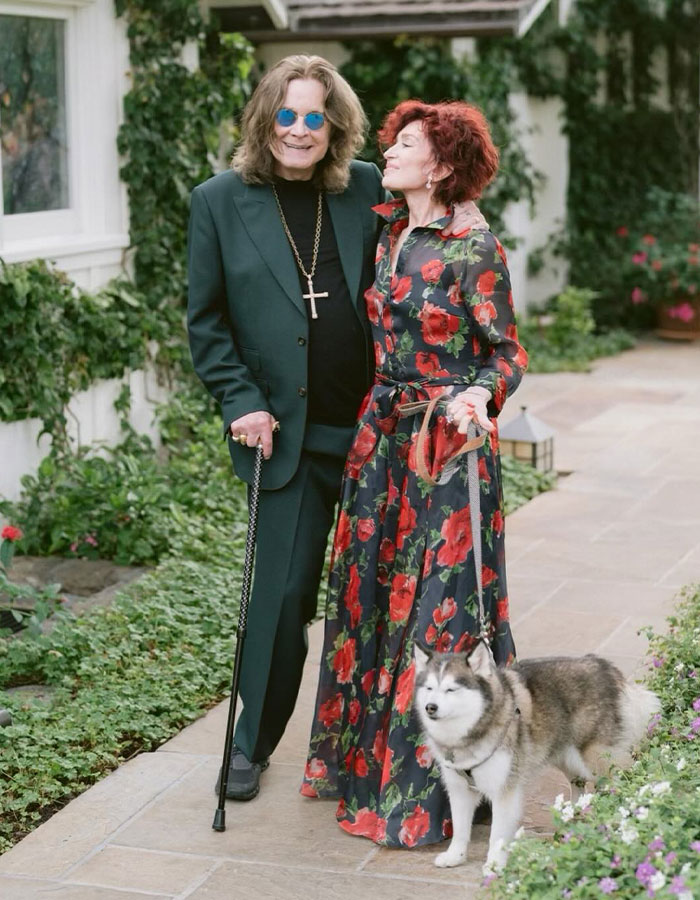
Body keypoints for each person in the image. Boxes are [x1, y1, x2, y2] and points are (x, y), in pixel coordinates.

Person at [187, 56, 485, 802]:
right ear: (264, 120)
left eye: (314, 117)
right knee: (282, 597)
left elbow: (435, 228)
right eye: (286, 115)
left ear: (334, 126)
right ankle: (250, 744)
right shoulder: (217, 202)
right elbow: (207, 322)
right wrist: (240, 400)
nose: (299, 130)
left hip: (378, 436)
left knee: (385, 599)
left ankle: (390, 753)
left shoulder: (365, 189)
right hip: (282, 437)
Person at [301, 99, 528, 848]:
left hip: (449, 445)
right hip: (384, 441)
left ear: (441, 165)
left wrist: (478, 396)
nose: (388, 153)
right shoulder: (388, 232)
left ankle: (433, 790)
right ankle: (363, 766)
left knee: (440, 605)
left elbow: (508, 353)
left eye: (405, 144)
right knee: (372, 595)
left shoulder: (474, 247)